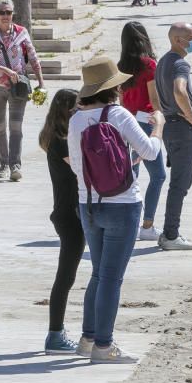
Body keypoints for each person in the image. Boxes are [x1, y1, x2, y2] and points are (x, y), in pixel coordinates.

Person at [67, 56, 164, 364]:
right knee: (111, 278)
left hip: (88, 203)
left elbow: (79, 166)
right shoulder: (118, 114)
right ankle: (104, 346)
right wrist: (158, 129)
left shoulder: (75, 120)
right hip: (123, 204)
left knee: (98, 273)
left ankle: (88, 338)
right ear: (113, 88)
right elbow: (148, 151)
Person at [38, 89, 85, 353]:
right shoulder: (61, 142)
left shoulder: (56, 138)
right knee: (65, 277)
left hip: (66, 212)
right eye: (77, 108)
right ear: (68, 111)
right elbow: (80, 169)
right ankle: (55, 334)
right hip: (69, 215)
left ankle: (56, 332)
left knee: (66, 276)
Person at [0, 0, 45, 181]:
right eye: (2, 12)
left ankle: (16, 165)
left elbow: (33, 58)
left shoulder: (22, 33)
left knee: (16, 127)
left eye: (8, 12)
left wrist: (41, 82)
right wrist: (5, 70)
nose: (5, 16)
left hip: (18, 88)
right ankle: (4, 165)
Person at [155, 23, 192, 251]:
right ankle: (171, 235)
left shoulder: (163, 61)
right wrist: (191, 117)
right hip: (181, 127)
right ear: (177, 40)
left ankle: (170, 232)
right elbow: (179, 91)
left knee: (180, 181)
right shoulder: (180, 64)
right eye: (191, 38)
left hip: (170, 127)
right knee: (180, 183)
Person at [117, 22, 166, 242]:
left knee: (131, 176)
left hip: (125, 122)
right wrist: (161, 121)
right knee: (158, 175)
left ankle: (130, 223)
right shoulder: (149, 65)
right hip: (146, 122)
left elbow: (120, 99)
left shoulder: (121, 66)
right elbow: (154, 100)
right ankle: (147, 224)